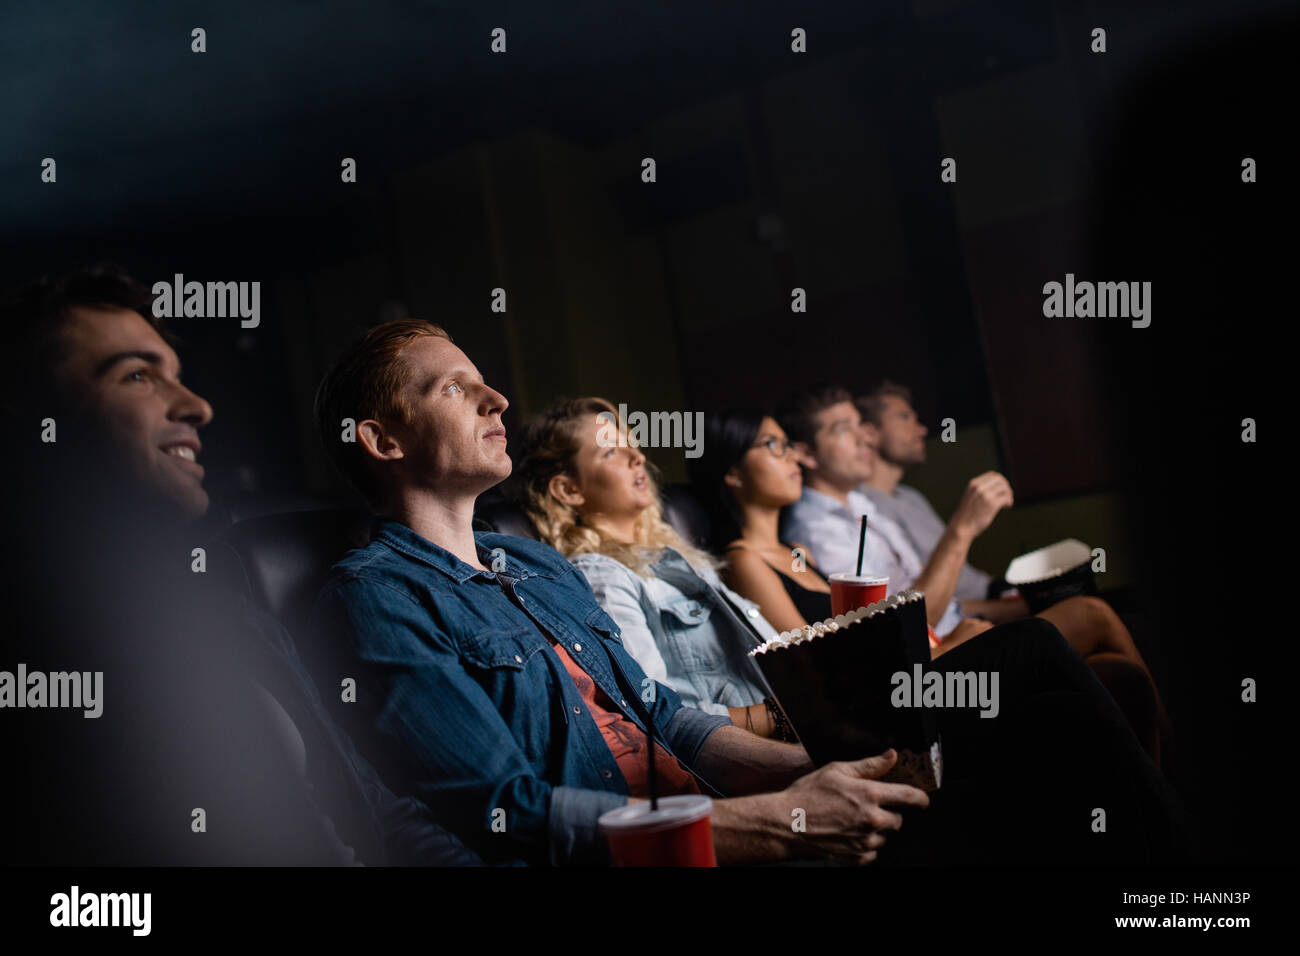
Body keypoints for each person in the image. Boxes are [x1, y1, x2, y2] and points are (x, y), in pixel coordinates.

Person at [511, 397, 1189, 864]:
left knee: (1077, 695)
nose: (638, 462)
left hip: (822, 708)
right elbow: (651, 705)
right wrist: (775, 716)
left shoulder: (676, 559)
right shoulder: (602, 575)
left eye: (636, 448)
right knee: (1040, 643)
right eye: (613, 453)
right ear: (568, 490)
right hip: (803, 730)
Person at [0, 265, 478, 865]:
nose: (196, 405)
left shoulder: (219, 607)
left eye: (177, 375)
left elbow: (380, 810)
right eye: (138, 375)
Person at [779, 384, 1168, 760]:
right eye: (843, 430)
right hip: (925, 666)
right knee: (1091, 613)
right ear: (807, 454)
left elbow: (940, 599)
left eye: (860, 425)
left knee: (1121, 677)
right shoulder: (815, 528)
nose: (864, 439)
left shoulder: (864, 504)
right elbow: (903, 628)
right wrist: (962, 528)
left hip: (957, 631)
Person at [855, 382, 998, 605]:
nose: (921, 429)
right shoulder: (863, 508)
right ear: (870, 433)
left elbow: (966, 578)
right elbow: (923, 600)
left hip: (991, 591)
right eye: (904, 417)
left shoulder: (911, 496)